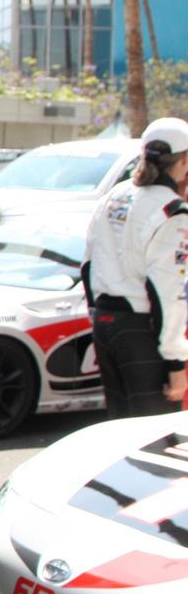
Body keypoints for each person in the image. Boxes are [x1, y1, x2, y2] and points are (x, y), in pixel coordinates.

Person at [83, 116, 188, 419]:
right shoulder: (172, 210)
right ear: (181, 163)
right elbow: (167, 290)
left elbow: (88, 263)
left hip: (105, 325)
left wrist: (98, 315)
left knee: (120, 431)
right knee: (155, 440)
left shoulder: (114, 196)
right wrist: (175, 364)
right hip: (142, 331)